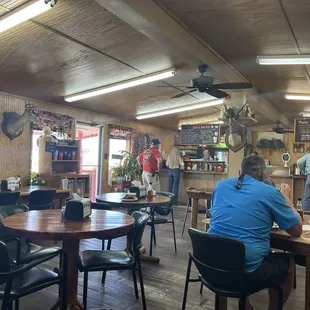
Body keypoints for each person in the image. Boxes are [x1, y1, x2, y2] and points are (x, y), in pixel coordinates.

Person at [208, 155, 302, 310]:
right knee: (288, 262)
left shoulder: (220, 185)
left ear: (240, 171)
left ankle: (246, 306)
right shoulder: (270, 192)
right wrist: (285, 197)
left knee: (239, 252)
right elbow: (296, 230)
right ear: (264, 175)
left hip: (210, 265)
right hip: (245, 274)